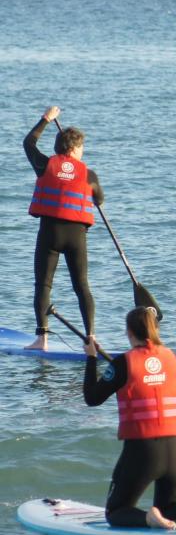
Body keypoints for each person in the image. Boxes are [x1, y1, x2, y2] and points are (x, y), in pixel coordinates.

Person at [83, 307, 176, 533]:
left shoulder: (124, 363)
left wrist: (91, 358)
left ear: (129, 332)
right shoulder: (173, 359)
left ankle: (149, 518)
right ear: (155, 329)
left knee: (116, 512)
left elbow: (92, 398)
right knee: (168, 508)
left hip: (143, 451)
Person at [23, 106, 102, 351]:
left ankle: (42, 339)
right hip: (76, 237)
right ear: (74, 148)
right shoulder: (89, 174)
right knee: (82, 287)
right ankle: (91, 339)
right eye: (82, 147)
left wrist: (46, 119)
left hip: (50, 233)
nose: (83, 151)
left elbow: (28, 143)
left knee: (43, 285)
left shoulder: (45, 164)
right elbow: (99, 199)